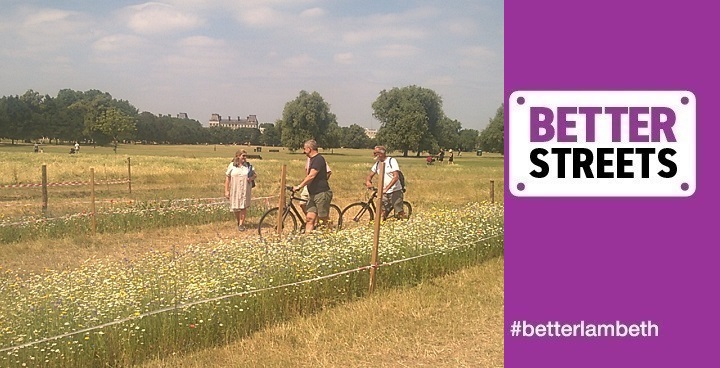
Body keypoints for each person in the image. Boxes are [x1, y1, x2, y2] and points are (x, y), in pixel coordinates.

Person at [293, 140, 332, 233]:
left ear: (309, 149)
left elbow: (311, 175)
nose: (303, 151)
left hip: (321, 193)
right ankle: (307, 239)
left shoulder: (319, 159)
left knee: (323, 219)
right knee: (310, 218)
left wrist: (299, 186)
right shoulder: (311, 160)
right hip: (312, 194)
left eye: (304, 149)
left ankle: (331, 234)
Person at [365, 146, 405, 220]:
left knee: (398, 210)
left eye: (375, 153)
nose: (373, 155)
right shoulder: (377, 164)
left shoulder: (391, 161)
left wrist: (387, 188)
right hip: (383, 191)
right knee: (382, 211)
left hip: (395, 190)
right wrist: (368, 181)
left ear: (381, 153)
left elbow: (396, 177)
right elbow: (370, 175)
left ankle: (405, 221)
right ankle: (381, 226)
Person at [225, 150, 257, 231]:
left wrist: (251, 178)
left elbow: (255, 175)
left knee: (243, 206)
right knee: (235, 207)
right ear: (238, 156)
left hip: (245, 188)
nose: (245, 158)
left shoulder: (248, 166)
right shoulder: (232, 165)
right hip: (235, 189)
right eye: (243, 156)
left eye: (246, 156)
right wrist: (226, 190)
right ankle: (238, 221)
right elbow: (227, 178)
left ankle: (241, 224)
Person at [300, 157, 332, 222]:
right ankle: (312, 220)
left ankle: (321, 222)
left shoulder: (318, 160)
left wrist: (321, 181)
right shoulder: (309, 159)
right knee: (302, 203)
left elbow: (328, 172)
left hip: (318, 188)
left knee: (322, 216)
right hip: (308, 186)